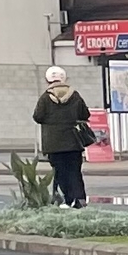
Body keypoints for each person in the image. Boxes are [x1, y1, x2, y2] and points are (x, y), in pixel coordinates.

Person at [33, 67, 93, 207]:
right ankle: (79, 199)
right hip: (73, 141)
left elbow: (37, 117)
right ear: (64, 79)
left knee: (60, 172)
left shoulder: (45, 97)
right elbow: (85, 115)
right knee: (75, 171)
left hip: (53, 143)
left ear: (48, 80)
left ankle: (67, 200)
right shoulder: (75, 95)